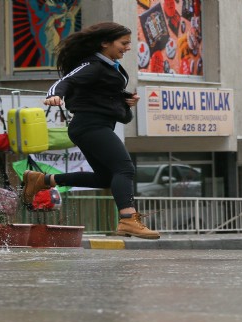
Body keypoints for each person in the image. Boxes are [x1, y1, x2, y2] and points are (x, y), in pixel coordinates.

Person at [23, 21, 160, 240]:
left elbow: (100, 93)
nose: (128, 48)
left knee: (106, 178)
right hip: (89, 125)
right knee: (124, 169)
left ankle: (43, 180)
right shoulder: (93, 64)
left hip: (96, 125)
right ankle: (128, 219)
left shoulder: (108, 66)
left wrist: (125, 101)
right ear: (105, 43)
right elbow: (66, 81)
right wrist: (54, 95)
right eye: (123, 43)